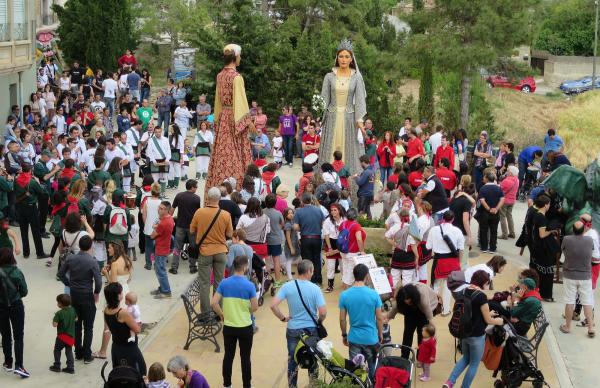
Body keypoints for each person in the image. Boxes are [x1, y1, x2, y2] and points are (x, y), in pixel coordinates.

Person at [318, 39, 367, 204]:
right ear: (337, 58)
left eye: (347, 56)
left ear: (352, 58)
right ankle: (325, 191)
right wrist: (318, 118)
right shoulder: (329, 76)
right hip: (332, 118)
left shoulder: (356, 77)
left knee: (348, 154)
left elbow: (359, 100)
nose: (344, 59)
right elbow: (323, 100)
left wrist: (359, 121)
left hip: (348, 119)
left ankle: (348, 193)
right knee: (329, 153)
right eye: (341, 56)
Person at [205, 44, 255, 194]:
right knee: (237, 153)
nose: (240, 58)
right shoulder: (237, 77)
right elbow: (240, 101)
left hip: (223, 117)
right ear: (235, 57)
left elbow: (217, 101)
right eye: (240, 56)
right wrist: (247, 122)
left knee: (222, 152)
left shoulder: (220, 75)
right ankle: (237, 189)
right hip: (233, 117)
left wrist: (218, 121)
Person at [270, 260, 327, 388]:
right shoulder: (315, 289)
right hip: (311, 330)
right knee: (312, 358)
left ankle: (292, 385)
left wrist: (283, 318)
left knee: (293, 359)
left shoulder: (287, 286)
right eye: (312, 271)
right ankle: (313, 384)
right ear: (308, 271)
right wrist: (319, 321)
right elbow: (323, 312)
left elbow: (273, 305)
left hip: (293, 329)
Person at [443, 270, 503, 388]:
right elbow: (488, 320)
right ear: (484, 282)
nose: (488, 286)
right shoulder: (481, 296)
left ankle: (450, 382)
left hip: (464, 332)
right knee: (474, 363)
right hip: (477, 335)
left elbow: (474, 312)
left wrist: (488, 313)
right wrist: (498, 321)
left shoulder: (465, 290)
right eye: (487, 284)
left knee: (465, 358)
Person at [211, 255, 258, 388]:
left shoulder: (224, 283)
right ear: (244, 267)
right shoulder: (249, 285)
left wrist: (222, 315)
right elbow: (255, 307)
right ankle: (247, 385)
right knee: (245, 358)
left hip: (229, 326)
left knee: (228, 356)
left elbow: (214, 302)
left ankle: (227, 384)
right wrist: (245, 311)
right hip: (245, 327)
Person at [57, 236, 102, 364]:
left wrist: (69, 284)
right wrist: (96, 292)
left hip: (74, 295)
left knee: (77, 325)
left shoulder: (71, 258)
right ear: (90, 246)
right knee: (88, 327)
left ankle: (78, 352)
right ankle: (87, 355)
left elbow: (60, 274)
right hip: (87, 295)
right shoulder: (92, 261)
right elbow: (98, 281)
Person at [190, 187, 233, 313]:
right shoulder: (226, 214)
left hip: (205, 251)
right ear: (219, 199)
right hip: (220, 251)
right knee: (219, 283)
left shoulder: (199, 212)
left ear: (208, 198)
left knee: (204, 284)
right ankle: (217, 311)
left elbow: (192, 230)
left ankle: (205, 313)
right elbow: (230, 234)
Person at [339, 264, 383, 380]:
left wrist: (344, 334)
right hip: (371, 338)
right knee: (373, 366)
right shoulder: (374, 294)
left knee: (355, 371)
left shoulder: (345, 295)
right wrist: (380, 333)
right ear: (366, 275)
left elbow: (342, 319)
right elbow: (379, 318)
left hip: (354, 338)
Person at [103, 282, 146, 375]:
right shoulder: (122, 313)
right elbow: (137, 330)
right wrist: (139, 323)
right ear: (118, 296)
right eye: (121, 292)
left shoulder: (106, 310)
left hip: (116, 347)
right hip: (128, 349)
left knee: (120, 374)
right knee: (139, 372)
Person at [560, 221, 595, 337]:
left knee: (569, 301)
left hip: (569, 275)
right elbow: (592, 252)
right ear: (584, 229)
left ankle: (568, 326)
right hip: (585, 276)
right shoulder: (589, 240)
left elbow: (563, 251)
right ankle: (590, 328)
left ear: (572, 229)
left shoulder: (566, 239)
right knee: (587, 302)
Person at [386, 282, 439, 359]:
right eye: (405, 300)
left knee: (422, 333)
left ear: (412, 297)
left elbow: (430, 318)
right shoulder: (403, 295)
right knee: (408, 332)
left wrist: (434, 334)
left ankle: (420, 358)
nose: (406, 301)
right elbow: (395, 309)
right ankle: (404, 356)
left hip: (426, 308)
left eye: (408, 299)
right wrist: (386, 319)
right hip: (411, 309)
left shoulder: (422, 297)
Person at [427, 210, 465, 315]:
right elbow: (461, 249)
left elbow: (428, 247)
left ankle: (434, 308)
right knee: (449, 286)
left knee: (435, 285)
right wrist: (459, 263)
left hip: (439, 260)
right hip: (453, 262)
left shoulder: (434, 229)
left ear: (443, 218)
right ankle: (446, 310)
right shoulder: (457, 231)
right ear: (453, 219)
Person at [0, 248, 29, 377]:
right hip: (16, 305)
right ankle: (19, 365)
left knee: (5, 335)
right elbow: (24, 291)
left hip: (1, 307)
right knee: (18, 336)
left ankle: (8, 361)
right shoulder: (17, 272)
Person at [14, 164, 50, 259]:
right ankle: (40, 253)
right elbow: (42, 192)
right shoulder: (32, 181)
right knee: (36, 230)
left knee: (23, 231)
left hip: (20, 208)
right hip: (31, 208)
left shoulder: (16, 179)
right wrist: (38, 182)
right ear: (30, 171)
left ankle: (26, 253)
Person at [530, 195, 559, 302]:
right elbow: (542, 234)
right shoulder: (541, 218)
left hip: (537, 247)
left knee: (539, 271)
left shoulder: (536, 214)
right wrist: (551, 231)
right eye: (549, 204)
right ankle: (546, 294)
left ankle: (538, 291)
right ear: (546, 205)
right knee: (546, 273)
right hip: (543, 249)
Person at [293, 193, 326, 285]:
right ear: (311, 200)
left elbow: (295, 227)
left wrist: (302, 227)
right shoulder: (318, 210)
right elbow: (324, 224)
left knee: (307, 260)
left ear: (302, 201)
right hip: (317, 238)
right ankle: (318, 280)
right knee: (317, 260)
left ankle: (309, 280)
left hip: (305, 238)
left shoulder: (299, 211)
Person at [169, 180, 201, 275]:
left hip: (180, 225)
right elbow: (198, 214)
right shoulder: (197, 198)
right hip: (191, 227)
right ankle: (192, 267)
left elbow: (172, 210)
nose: (196, 188)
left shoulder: (179, 196)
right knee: (192, 247)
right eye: (196, 187)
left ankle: (174, 267)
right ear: (192, 187)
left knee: (177, 247)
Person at [149, 201, 175, 299]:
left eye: (161, 208)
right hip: (164, 247)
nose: (158, 209)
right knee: (159, 268)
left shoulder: (163, 223)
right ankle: (163, 288)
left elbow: (152, 236)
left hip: (161, 249)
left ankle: (166, 291)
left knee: (160, 270)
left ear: (166, 210)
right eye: (159, 207)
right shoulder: (170, 219)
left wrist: (155, 227)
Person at [478, 172, 505, 253]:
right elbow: (502, 199)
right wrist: (496, 209)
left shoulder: (483, 188)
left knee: (483, 230)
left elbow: (482, 200)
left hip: (485, 213)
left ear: (486, 178)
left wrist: (489, 209)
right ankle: (492, 248)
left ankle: (484, 247)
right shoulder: (498, 188)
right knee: (494, 231)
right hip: (495, 213)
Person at [50, 293, 77, 374]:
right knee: (69, 351)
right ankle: (70, 367)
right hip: (71, 336)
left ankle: (57, 365)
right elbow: (76, 319)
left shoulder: (59, 313)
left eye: (58, 302)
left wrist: (55, 320)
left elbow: (55, 325)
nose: (57, 304)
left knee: (57, 350)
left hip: (62, 336)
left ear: (60, 304)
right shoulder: (72, 310)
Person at [339, 208, 366, 288]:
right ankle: (347, 292)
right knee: (350, 274)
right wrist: (362, 251)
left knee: (345, 271)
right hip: (353, 252)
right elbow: (358, 239)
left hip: (343, 251)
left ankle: (345, 289)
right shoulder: (356, 226)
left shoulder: (342, 224)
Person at [351, 154, 375, 219]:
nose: (360, 164)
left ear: (363, 162)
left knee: (361, 212)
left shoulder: (366, 172)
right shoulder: (372, 171)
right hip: (370, 194)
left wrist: (356, 177)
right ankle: (370, 225)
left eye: (361, 163)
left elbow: (360, 182)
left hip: (364, 195)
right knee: (368, 211)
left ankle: (361, 226)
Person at [499, 165, 519, 239]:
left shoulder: (507, 180)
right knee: (509, 216)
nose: (507, 172)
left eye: (508, 171)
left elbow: (501, 190)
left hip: (505, 200)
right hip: (512, 200)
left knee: (502, 216)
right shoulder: (517, 179)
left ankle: (504, 234)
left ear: (510, 173)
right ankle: (512, 233)